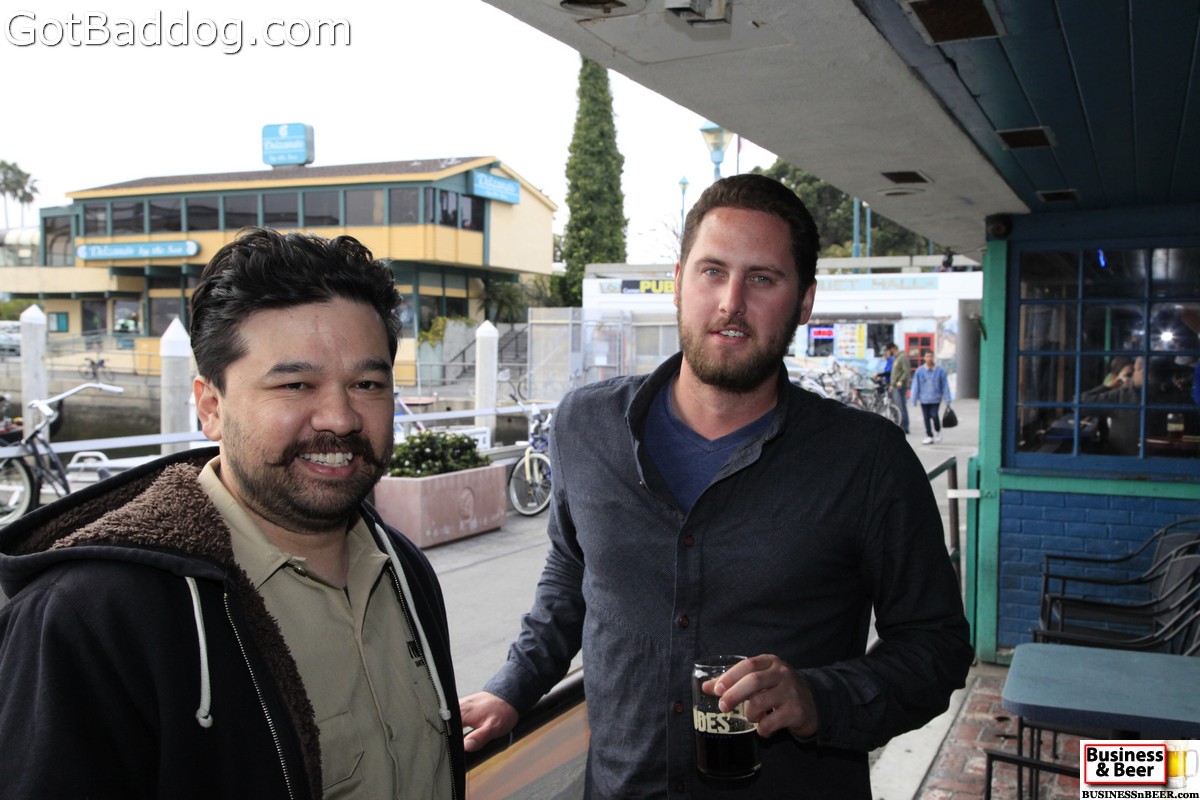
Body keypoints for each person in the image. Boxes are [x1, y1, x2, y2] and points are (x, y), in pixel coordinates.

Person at [459, 175, 972, 798]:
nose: (732, 301)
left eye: (763, 278)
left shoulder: (868, 460)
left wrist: (819, 698)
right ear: (679, 282)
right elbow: (571, 574)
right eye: (712, 271)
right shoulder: (584, 426)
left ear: (804, 303)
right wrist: (513, 687)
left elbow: (936, 647)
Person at [0, 228, 465, 799]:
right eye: (295, 384)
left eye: (367, 384)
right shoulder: (88, 619)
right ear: (211, 407)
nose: (340, 418)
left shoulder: (405, 571)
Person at [912, 350, 952, 444]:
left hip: (935, 398)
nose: (929, 358)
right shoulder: (920, 371)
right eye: (927, 356)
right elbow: (915, 385)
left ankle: (937, 431)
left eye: (931, 356)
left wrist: (947, 399)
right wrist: (914, 399)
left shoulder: (940, 370)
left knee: (934, 415)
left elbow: (944, 385)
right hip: (924, 399)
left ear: (933, 358)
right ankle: (929, 435)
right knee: (926, 417)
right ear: (924, 358)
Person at [886, 342, 912, 434]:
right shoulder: (896, 358)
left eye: (888, 350)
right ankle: (902, 426)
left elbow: (906, 371)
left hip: (900, 386)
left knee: (900, 407)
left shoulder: (902, 357)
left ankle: (904, 427)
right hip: (895, 386)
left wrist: (901, 381)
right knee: (899, 406)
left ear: (892, 349)